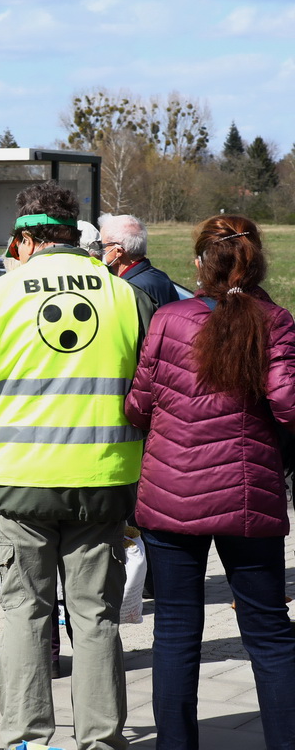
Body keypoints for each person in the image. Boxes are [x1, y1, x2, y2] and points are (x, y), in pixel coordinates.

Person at [0, 181, 155, 750]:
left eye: (14, 241)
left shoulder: (0, 298)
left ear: (28, 238)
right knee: (95, 620)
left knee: (26, 616)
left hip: (19, 486)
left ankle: (28, 739)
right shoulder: (127, 296)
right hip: (104, 484)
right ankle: (101, 740)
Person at [125, 215, 295, 749]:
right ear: (257, 261)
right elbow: (289, 406)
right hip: (248, 493)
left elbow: (138, 406)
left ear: (200, 264)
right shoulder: (275, 321)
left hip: (171, 494)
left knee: (175, 629)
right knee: (268, 632)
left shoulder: (169, 320)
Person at [99, 213, 178, 307]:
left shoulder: (128, 288)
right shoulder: (161, 277)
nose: (100, 251)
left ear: (118, 251)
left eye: (102, 245)